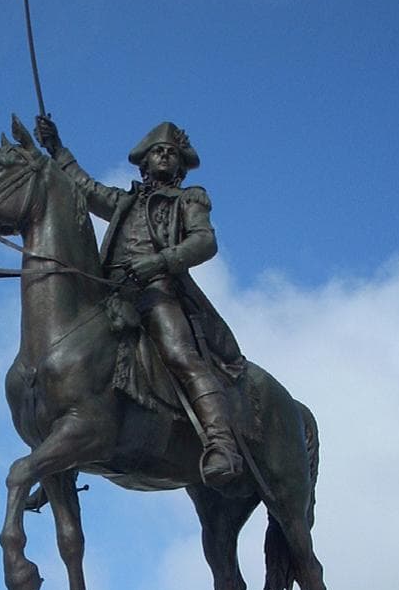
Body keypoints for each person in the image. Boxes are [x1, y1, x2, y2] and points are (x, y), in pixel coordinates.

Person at [35, 116, 245, 487]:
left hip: (157, 291)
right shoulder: (122, 202)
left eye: (170, 153)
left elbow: (204, 242)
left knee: (181, 356)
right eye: (157, 152)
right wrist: (56, 148)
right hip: (110, 296)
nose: (163, 156)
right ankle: (60, 455)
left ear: (179, 165)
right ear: (144, 162)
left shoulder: (188, 199)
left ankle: (220, 443)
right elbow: (83, 185)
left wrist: (161, 261)